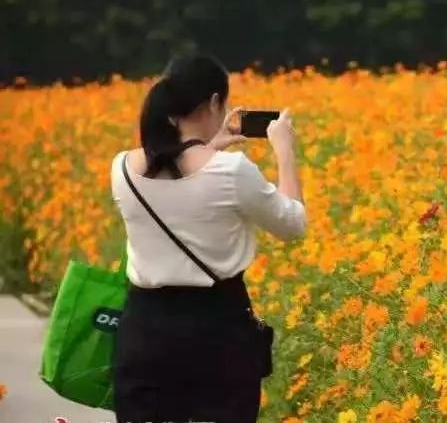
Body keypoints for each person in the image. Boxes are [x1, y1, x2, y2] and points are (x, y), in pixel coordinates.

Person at [110, 53, 306, 423]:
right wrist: (284, 152)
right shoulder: (231, 171)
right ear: (215, 102)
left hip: (145, 333)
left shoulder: (122, 167)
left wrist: (210, 145)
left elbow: (178, 180)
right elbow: (292, 223)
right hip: (217, 332)